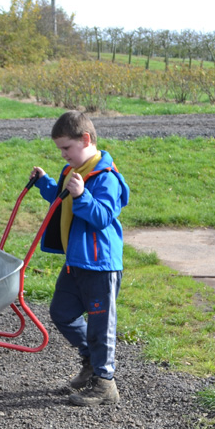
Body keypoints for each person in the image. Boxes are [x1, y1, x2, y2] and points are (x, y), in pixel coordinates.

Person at [31, 110, 130, 407]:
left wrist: (83, 195)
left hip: (101, 266)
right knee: (61, 312)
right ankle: (90, 361)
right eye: (60, 149)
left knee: (101, 325)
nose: (63, 154)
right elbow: (61, 198)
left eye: (66, 148)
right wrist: (45, 183)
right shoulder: (71, 172)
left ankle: (105, 384)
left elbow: (102, 217)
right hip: (76, 262)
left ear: (85, 139)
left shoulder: (106, 177)